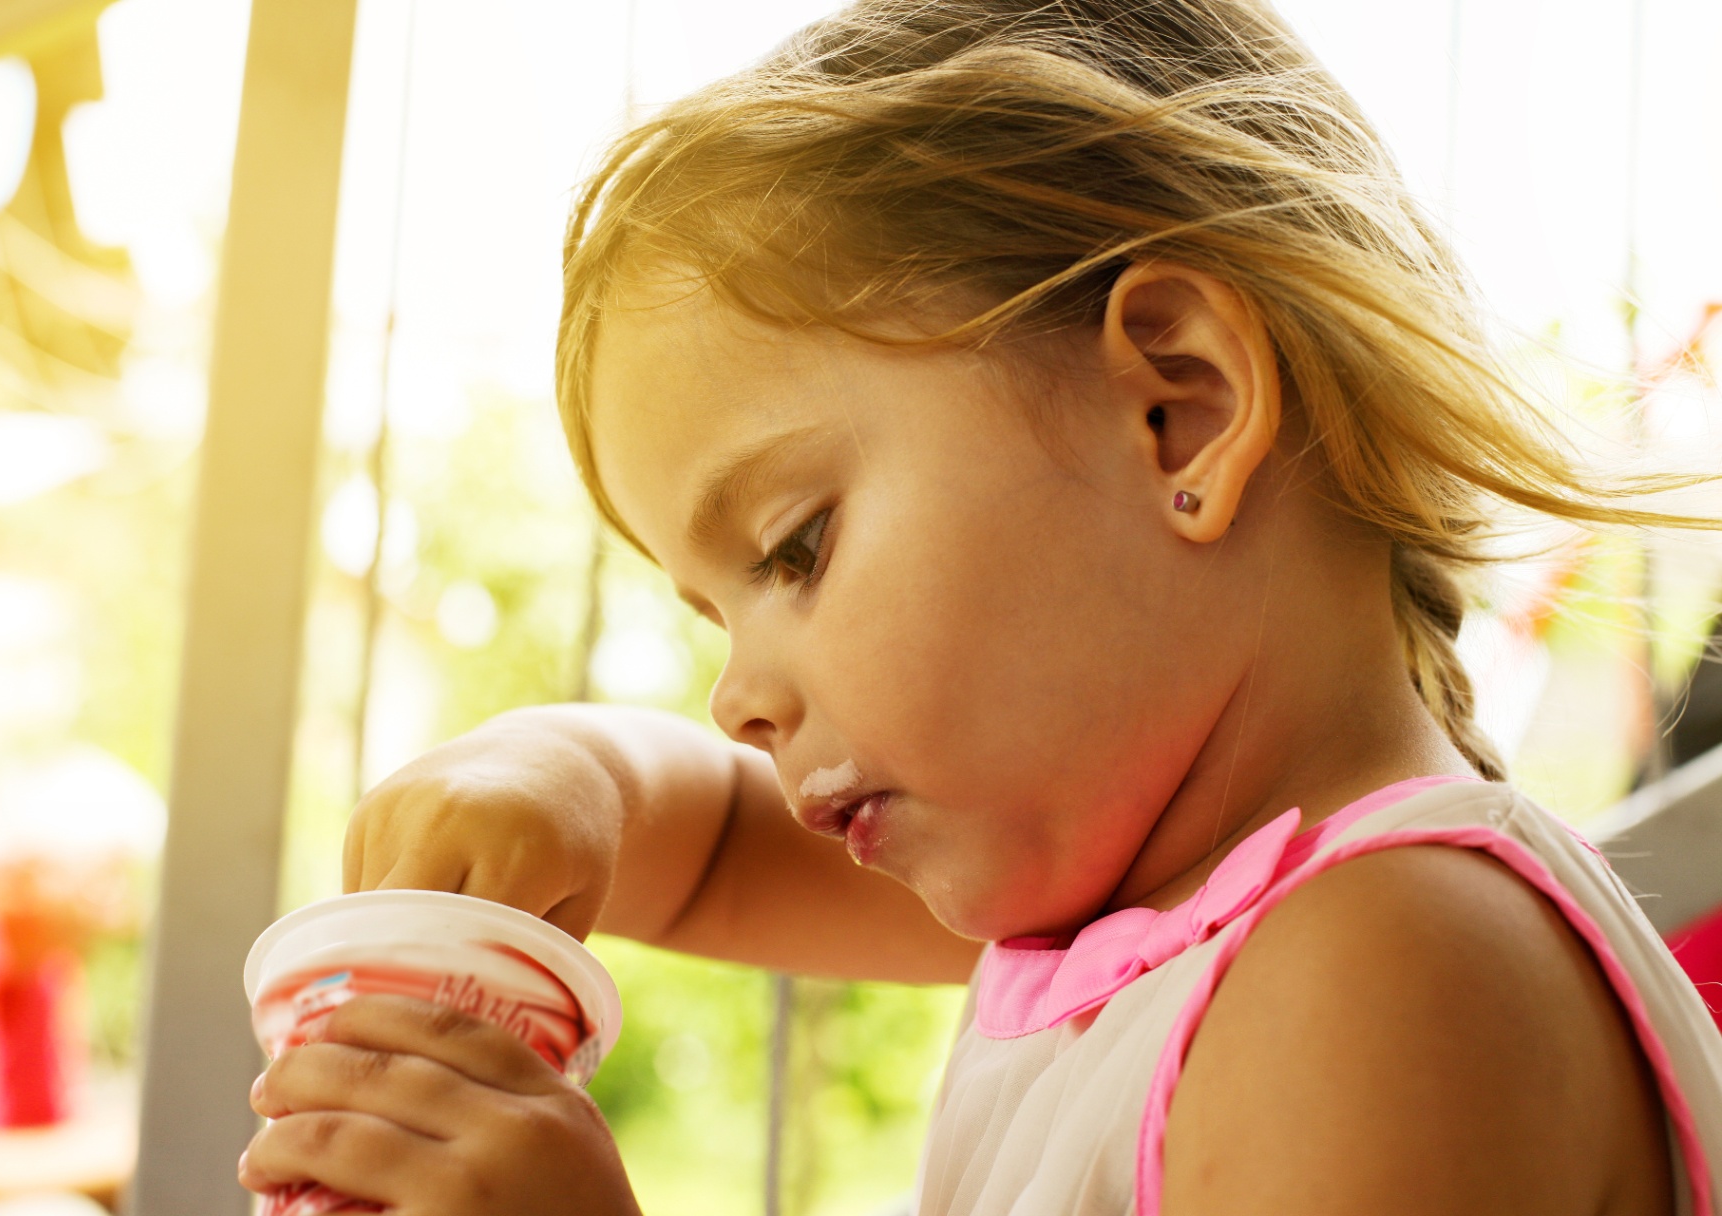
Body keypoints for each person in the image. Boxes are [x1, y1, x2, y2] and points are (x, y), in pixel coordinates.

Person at [238, 2, 1722, 1213]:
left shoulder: (1384, 973)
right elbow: (696, 850)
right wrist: (569, 778)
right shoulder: (1137, 904)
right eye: (715, 616)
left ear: (1179, 414)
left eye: (795, 550)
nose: (738, 698)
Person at [0, 749, 157, 1213]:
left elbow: (45, 1134)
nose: (120, 911)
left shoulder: (43, 968)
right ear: (33, 869)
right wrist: (122, 1148)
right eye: (108, 875)